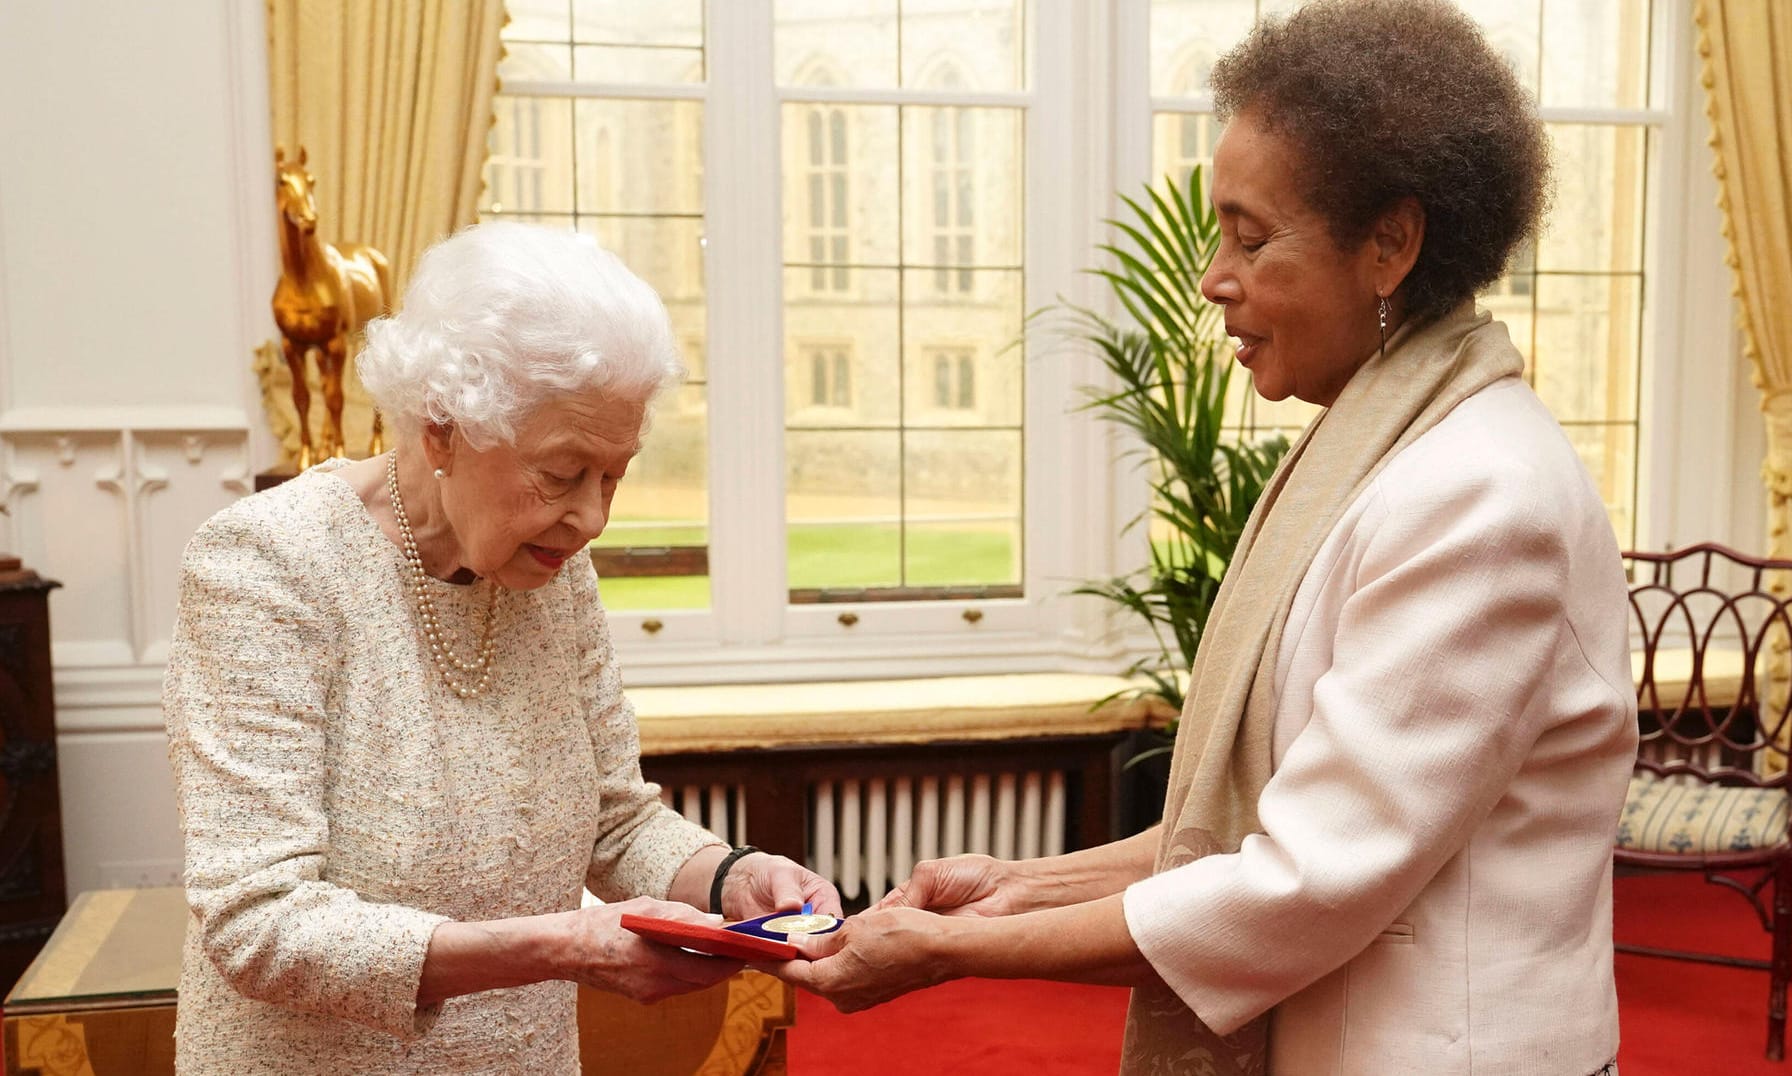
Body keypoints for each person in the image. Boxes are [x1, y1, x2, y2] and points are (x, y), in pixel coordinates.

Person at [774, 2, 1634, 1073]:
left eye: (1250, 235)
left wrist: (961, 947)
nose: (1212, 278)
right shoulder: (1374, 449)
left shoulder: (1477, 494)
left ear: (1390, 242)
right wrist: (1024, 884)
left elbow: (1305, 875)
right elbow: (1259, 822)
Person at [164, 221, 839, 1073]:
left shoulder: (552, 571)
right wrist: (560, 947)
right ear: (442, 427)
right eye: (561, 474)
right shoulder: (269, 566)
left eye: (615, 475)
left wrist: (730, 877)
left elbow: (618, 822)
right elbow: (258, 922)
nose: (592, 519)